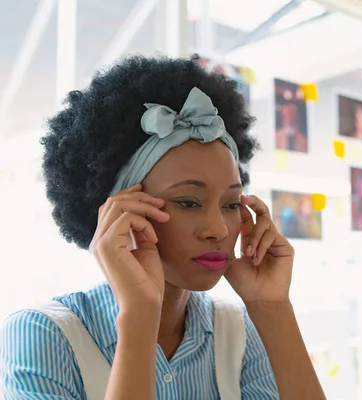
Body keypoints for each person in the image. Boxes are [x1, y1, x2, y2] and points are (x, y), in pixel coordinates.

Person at [0, 55, 326, 399]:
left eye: (231, 204)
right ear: (120, 211)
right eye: (188, 202)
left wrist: (272, 308)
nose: (218, 230)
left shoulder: (240, 334)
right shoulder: (44, 335)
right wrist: (139, 314)